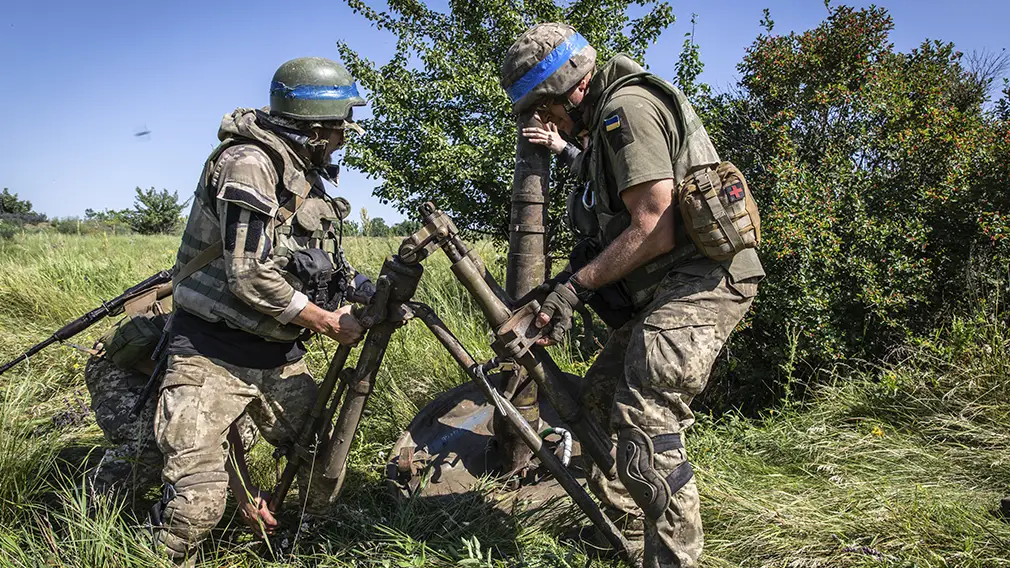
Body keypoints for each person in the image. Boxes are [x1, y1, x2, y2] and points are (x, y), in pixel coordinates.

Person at [501, 24, 765, 568]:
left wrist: (572, 291)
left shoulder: (629, 110)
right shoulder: (600, 128)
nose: (543, 121)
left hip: (701, 281)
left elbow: (655, 225)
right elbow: (609, 199)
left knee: (646, 418)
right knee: (597, 399)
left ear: (570, 90)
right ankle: (624, 532)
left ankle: (672, 560)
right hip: (669, 286)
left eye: (543, 109)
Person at [153, 56, 371, 565]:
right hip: (210, 353)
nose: (344, 140)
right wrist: (323, 320)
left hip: (276, 353)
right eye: (341, 130)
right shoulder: (249, 163)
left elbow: (315, 265)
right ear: (315, 130)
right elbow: (248, 273)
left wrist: (361, 289)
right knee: (198, 507)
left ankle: (299, 547)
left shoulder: (303, 177)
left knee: (324, 464)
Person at [83, 294, 261, 519]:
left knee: (244, 432)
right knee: (153, 442)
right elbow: (215, 414)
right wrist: (243, 490)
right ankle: (90, 508)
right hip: (125, 367)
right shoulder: (226, 310)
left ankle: (185, 486)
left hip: (175, 370)